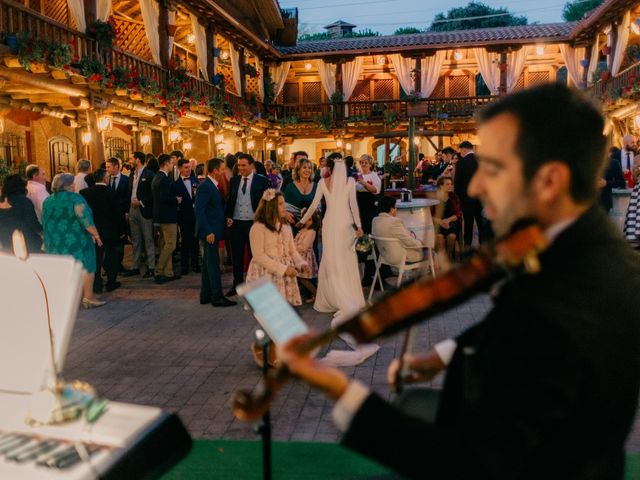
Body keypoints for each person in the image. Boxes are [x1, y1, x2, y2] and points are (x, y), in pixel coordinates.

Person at [279, 83, 640, 480]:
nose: (475, 186)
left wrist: (343, 394)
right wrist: (444, 354)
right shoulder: (581, 246)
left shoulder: (560, 312)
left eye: (494, 168)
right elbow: (517, 328)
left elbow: (471, 466)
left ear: (551, 180)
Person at [298, 152, 379, 365]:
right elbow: (354, 207)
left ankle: (331, 296)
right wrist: (359, 227)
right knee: (346, 261)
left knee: (331, 259)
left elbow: (315, 204)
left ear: (329, 167)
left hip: (330, 224)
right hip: (345, 226)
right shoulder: (351, 182)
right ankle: (348, 294)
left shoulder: (322, 182)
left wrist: (302, 220)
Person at [42, 173, 106, 309]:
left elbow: (45, 220)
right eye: (73, 183)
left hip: (55, 241)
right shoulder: (75, 198)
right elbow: (84, 217)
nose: (75, 185)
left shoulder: (48, 200)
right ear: (69, 185)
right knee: (87, 266)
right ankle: (88, 297)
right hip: (76, 240)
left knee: (60, 269)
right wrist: (96, 235)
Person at [246, 190, 307, 305]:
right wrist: (283, 269)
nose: (284, 207)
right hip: (266, 274)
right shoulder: (258, 227)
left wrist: (301, 263)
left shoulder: (285, 226)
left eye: (284, 203)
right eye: (280, 204)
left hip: (284, 276)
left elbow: (291, 250)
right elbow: (258, 256)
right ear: (270, 207)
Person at [225, 153, 269, 296]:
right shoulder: (234, 180)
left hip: (254, 223)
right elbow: (230, 200)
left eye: (244, 165)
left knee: (254, 256)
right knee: (236, 256)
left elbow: (267, 204)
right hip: (237, 223)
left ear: (251, 166)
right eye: (239, 165)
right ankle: (237, 284)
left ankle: (255, 285)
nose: (241, 168)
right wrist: (228, 217)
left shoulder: (261, 181)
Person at [195, 158, 236, 308]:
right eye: (222, 169)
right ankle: (217, 297)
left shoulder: (213, 186)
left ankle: (205, 295)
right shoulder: (205, 186)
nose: (224, 171)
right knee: (212, 265)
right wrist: (208, 231)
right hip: (210, 233)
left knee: (208, 264)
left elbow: (213, 209)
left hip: (215, 229)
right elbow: (199, 210)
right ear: (214, 171)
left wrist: (225, 220)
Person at [80, 168, 123, 293]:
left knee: (96, 258)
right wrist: (122, 230)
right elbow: (118, 213)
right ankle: (111, 282)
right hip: (110, 231)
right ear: (105, 178)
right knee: (112, 257)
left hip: (93, 231)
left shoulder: (85, 193)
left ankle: (96, 284)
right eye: (108, 177)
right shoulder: (112, 192)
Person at [123, 151, 156, 278]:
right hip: (132, 210)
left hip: (144, 209)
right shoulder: (132, 174)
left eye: (132, 158)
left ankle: (151, 267)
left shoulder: (149, 174)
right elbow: (130, 191)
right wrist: (128, 209)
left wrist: (141, 202)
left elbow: (153, 194)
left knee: (148, 239)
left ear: (138, 160)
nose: (130, 161)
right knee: (135, 239)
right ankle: (135, 266)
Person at [151, 153, 181, 284]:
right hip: (167, 216)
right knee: (171, 244)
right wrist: (176, 199)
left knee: (165, 244)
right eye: (171, 162)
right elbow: (164, 198)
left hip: (160, 215)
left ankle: (168, 273)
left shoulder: (157, 177)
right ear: (166, 163)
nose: (173, 164)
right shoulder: (163, 178)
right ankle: (158, 271)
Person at [371, 195, 424, 264]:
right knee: (429, 252)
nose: (396, 210)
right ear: (392, 209)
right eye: (395, 207)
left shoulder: (375, 220)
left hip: (384, 256)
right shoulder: (395, 222)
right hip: (399, 256)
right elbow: (408, 241)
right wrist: (421, 243)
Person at [355, 154, 381, 286]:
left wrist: (363, 182)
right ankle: (359, 271)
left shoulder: (373, 176)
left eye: (366, 162)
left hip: (369, 209)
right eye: (362, 162)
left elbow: (375, 190)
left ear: (370, 164)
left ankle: (369, 273)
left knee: (368, 239)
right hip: (358, 208)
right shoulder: (356, 175)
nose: (364, 164)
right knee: (359, 239)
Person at [0, 174, 42, 254]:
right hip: (26, 243)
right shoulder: (24, 201)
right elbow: (33, 224)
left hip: (6, 242)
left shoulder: (3, 201)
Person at [172, 158, 200, 275]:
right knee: (185, 242)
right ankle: (184, 266)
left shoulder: (195, 181)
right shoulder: (175, 185)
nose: (188, 169)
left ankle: (195, 264)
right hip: (184, 216)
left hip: (195, 216)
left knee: (195, 241)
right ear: (179, 169)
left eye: (189, 167)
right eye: (186, 167)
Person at [106, 157, 130, 272]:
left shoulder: (126, 179)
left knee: (121, 240)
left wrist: (126, 212)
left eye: (108, 167)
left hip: (121, 215)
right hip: (109, 215)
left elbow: (128, 196)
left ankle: (119, 263)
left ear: (116, 167)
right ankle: (108, 265)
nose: (107, 169)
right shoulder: (106, 179)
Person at [432, 176, 462, 259]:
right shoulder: (435, 198)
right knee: (440, 238)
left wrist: (448, 220)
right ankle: (441, 258)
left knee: (451, 237)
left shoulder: (454, 197)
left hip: (452, 223)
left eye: (451, 184)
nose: (450, 186)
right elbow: (430, 215)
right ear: (441, 186)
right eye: (448, 184)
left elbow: (458, 213)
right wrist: (441, 222)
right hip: (438, 223)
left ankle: (449, 256)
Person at [294, 208, 320, 302]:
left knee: (303, 279)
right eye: (305, 219)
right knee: (298, 278)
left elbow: (304, 247)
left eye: (309, 220)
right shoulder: (303, 230)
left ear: (314, 220)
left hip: (304, 258)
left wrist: (293, 249)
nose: (307, 222)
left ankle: (316, 295)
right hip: (298, 257)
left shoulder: (311, 231)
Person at [284, 158, 317, 224]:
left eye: (310, 168)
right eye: (304, 167)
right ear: (298, 171)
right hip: (293, 224)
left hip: (311, 225)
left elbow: (319, 208)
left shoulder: (316, 186)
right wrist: (285, 213)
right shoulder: (290, 187)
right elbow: (282, 206)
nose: (307, 170)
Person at [599, 147, 625, 213]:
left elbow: (622, 183)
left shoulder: (613, 163)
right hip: (585, 203)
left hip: (604, 202)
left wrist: (606, 183)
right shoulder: (586, 162)